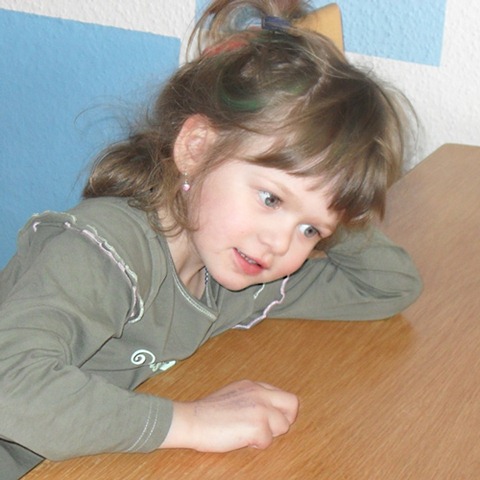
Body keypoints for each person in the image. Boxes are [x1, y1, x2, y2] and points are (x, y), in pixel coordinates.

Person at [0, 0, 422, 477]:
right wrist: (191, 422)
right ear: (197, 148)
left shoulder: (239, 276)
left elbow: (388, 285)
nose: (279, 244)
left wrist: (330, 197)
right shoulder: (102, 251)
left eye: (310, 231)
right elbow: (8, 386)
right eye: (271, 199)